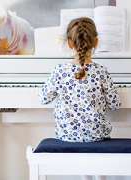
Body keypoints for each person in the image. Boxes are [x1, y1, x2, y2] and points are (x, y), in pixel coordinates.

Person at [39, 17, 121, 180]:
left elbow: (43, 98)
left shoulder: (60, 70)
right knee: (95, 135)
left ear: (69, 43)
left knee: (78, 134)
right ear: (95, 42)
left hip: (67, 135)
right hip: (96, 134)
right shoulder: (101, 71)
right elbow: (115, 104)